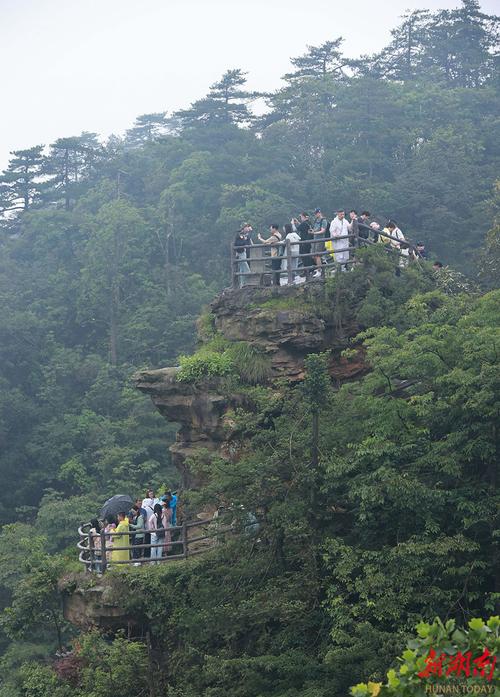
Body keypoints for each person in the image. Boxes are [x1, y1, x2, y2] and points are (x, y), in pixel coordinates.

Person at [234, 224, 253, 288]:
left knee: (242, 268)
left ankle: (242, 284)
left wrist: (250, 232)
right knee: (243, 265)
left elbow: (247, 239)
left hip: (242, 251)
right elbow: (238, 243)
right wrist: (244, 240)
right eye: (246, 227)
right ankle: (248, 273)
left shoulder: (245, 235)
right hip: (240, 251)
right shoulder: (240, 235)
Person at [311, 208, 328, 277]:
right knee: (314, 256)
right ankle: (322, 264)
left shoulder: (323, 220)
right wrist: (312, 231)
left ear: (319, 213)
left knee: (317, 255)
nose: (315, 215)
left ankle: (319, 270)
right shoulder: (315, 220)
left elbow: (323, 231)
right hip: (315, 239)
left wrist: (314, 233)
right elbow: (314, 228)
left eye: (316, 213)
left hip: (320, 239)